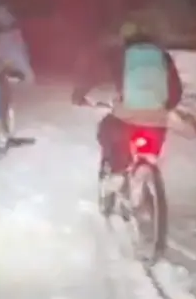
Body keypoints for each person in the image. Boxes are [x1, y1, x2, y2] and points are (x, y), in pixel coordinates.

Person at [72, 21, 183, 193]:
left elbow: (97, 75)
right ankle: (147, 180)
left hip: (128, 118)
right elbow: (176, 90)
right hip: (158, 120)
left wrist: (80, 95)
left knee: (107, 129)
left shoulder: (120, 55)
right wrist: (164, 106)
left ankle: (117, 173)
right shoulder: (163, 57)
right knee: (152, 143)